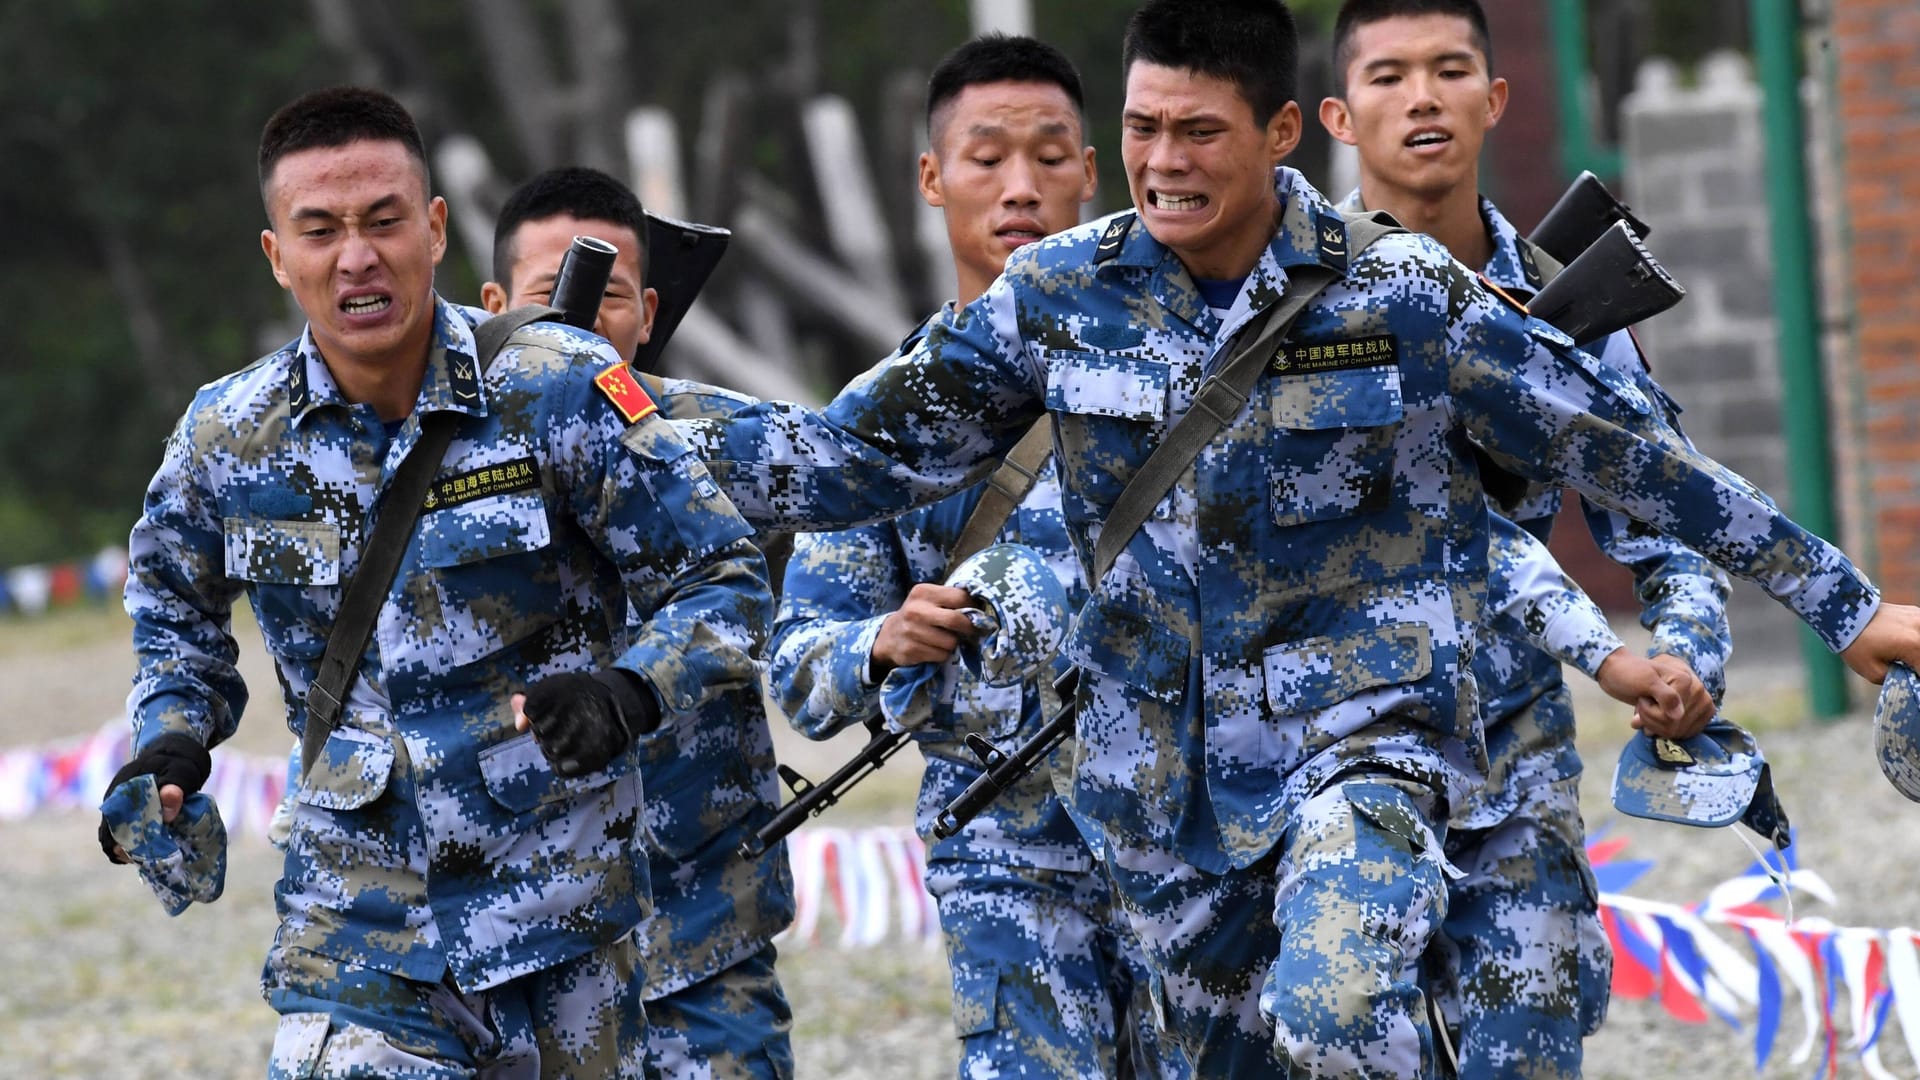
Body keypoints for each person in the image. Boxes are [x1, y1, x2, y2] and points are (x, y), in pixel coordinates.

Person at [667, 0, 1920, 1073]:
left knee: (1334, 1009)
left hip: (1365, 748)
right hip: (1157, 803)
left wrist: (1849, 609)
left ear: (1278, 134)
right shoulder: (1057, 297)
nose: (1162, 162)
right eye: (1143, 129)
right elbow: (835, 461)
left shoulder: (1401, 295)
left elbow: (1634, 462)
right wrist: (614, 414)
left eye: (1199, 132)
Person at [106, 86, 769, 1078]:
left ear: (435, 226)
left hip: (566, 925)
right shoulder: (227, 437)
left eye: (382, 222)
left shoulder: (560, 385)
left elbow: (719, 575)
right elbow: (172, 606)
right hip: (358, 934)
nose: (356, 257)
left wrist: (631, 692)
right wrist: (170, 732)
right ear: (276, 254)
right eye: (318, 230)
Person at [1317, 1, 1731, 1074]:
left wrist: (1687, 650)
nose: (1422, 98)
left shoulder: (1571, 309)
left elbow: (1667, 518)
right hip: (1324, 757)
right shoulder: (1289, 307)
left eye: (1450, 70)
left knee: (1529, 1047)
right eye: (1389, 76)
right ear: (1337, 116)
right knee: (1334, 1029)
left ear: (1493, 100)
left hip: (1513, 748)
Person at [768, 34, 1189, 1079]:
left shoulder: (1191, 381)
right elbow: (801, 673)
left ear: (1094, 175)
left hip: (1187, 846)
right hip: (1005, 855)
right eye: (985, 157)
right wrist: (884, 639)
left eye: (1051, 157)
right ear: (931, 179)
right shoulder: (882, 422)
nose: (1021, 189)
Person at [481, 165, 797, 1080]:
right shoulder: (450, 463)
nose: (579, 323)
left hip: (704, 928)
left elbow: (861, 465)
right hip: (530, 942)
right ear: (495, 303)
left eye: (607, 294)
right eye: (550, 296)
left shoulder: (712, 438)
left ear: (651, 312)